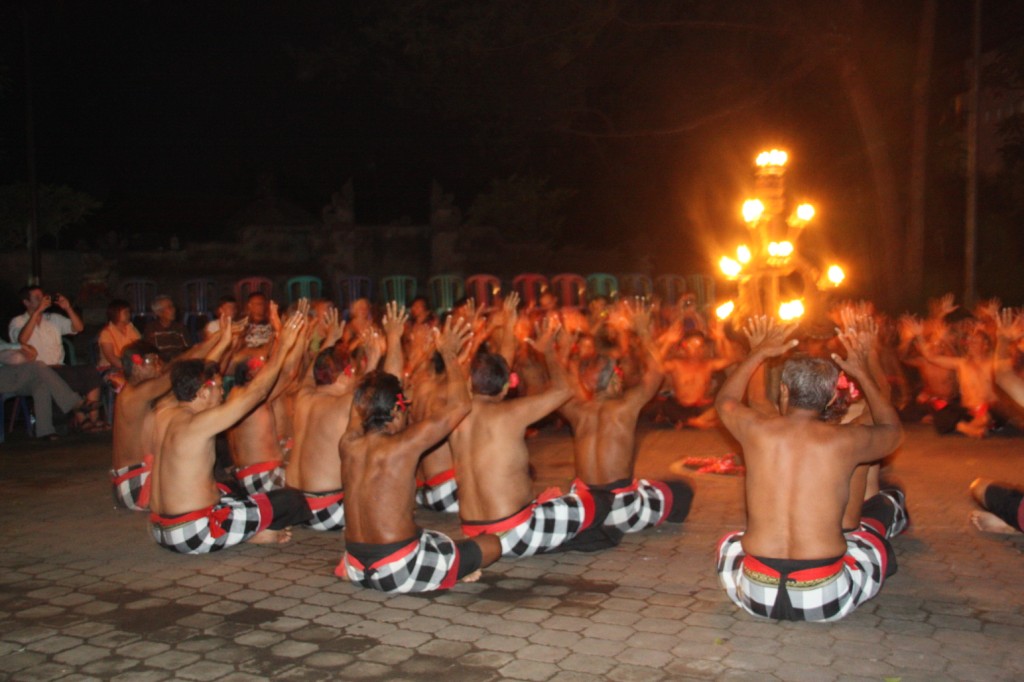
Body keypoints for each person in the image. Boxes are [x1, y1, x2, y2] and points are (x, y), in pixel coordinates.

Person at [714, 316, 907, 622]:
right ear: (831, 397)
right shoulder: (847, 440)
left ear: (785, 392)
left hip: (756, 592)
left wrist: (759, 352)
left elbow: (725, 399)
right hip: (823, 595)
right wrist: (862, 370)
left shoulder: (755, 429)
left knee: (731, 542)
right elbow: (892, 430)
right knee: (871, 540)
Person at [336, 317, 502, 592]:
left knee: (433, 538)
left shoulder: (348, 442)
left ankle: (443, 565)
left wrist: (383, 349)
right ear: (395, 411)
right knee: (492, 544)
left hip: (355, 565)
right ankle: (449, 571)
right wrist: (448, 353)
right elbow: (461, 404)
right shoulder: (404, 445)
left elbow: (362, 400)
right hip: (399, 570)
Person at [148, 312, 311, 554]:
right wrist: (284, 346)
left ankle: (243, 530)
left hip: (160, 528)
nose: (221, 393)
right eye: (216, 387)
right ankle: (251, 533)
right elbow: (256, 393)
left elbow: (190, 378)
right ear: (203, 392)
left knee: (229, 490)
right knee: (291, 501)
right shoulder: (199, 423)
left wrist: (223, 342)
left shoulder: (164, 412)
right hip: (193, 533)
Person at [451, 316, 609, 557]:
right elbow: (565, 390)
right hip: (515, 533)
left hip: (472, 532)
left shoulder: (454, 415)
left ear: (471, 384)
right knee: (599, 501)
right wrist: (548, 352)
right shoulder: (510, 412)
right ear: (506, 387)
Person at [560, 300, 693, 547]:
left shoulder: (576, 410)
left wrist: (560, 351)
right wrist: (643, 330)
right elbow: (655, 373)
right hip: (619, 509)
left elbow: (560, 377)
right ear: (614, 381)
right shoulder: (625, 407)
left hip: (583, 505)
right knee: (682, 490)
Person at [110, 322, 236, 511]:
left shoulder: (140, 393)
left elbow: (190, 370)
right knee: (222, 493)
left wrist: (220, 340)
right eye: (154, 361)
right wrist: (220, 340)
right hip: (137, 486)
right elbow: (185, 370)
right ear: (138, 362)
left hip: (131, 484)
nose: (159, 366)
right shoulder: (135, 394)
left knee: (180, 398)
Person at [287, 305, 378, 531]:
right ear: (347, 373)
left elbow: (310, 372)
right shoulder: (344, 403)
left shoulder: (303, 396)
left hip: (295, 506)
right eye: (353, 370)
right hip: (326, 511)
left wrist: (331, 339)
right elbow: (368, 389)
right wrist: (374, 358)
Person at [9, 285, 104, 429]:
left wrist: (68, 308)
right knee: (67, 376)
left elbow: (79, 328)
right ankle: (82, 420)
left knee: (90, 370)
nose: (42, 300)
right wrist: (37, 313)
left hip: (60, 367)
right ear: (26, 302)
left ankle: (93, 418)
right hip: (37, 371)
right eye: (37, 298)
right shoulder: (18, 322)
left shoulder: (52, 319)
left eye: (43, 296)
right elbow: (22, 339)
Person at [0, 342, 85, 440]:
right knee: (38, 366)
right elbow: (11, 355)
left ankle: (44, 430)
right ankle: (72, 402)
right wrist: (20, 347)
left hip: (10, 377)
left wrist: (21, 351)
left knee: (40, 384)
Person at [97, 299, 142, 392]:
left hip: (131, 365)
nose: (129, 315)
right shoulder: (106, 333)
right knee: (123, 384)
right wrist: (129, 368)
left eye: (129, 312)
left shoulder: (131, 329)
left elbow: (140, 349)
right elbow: (111, 357)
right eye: (125, 312)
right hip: (110, 367)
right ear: (115, 314)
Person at [143, 295, 191, 361]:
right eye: (169, 307)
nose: (173, 310)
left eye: (173, 306)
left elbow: (188, 349)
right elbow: (150, 352)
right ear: (159, 312)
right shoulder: (151, 329)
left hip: (179, 363)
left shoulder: (180, 328)